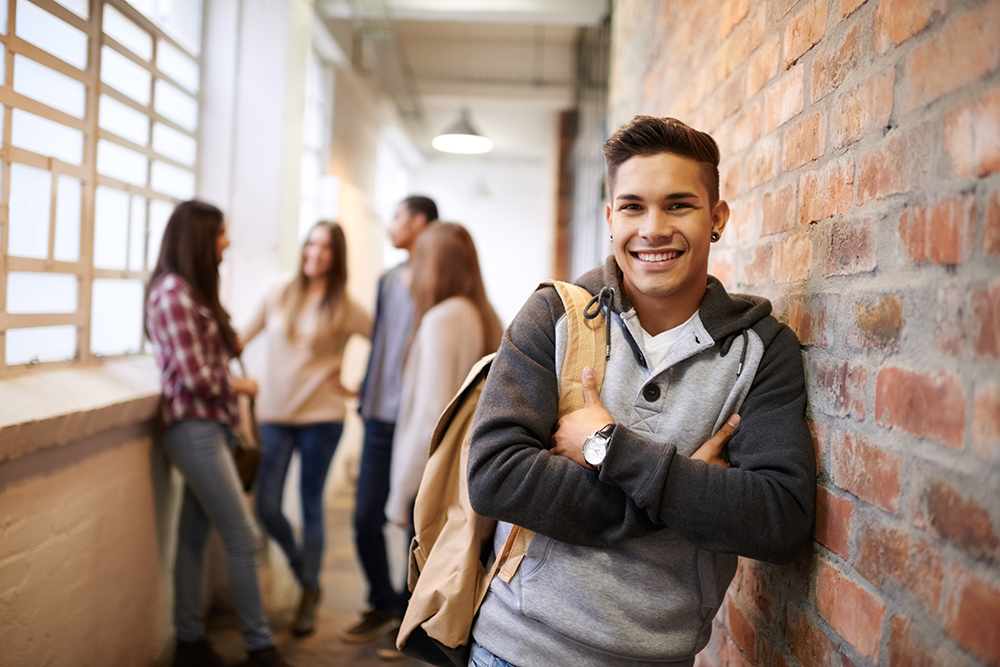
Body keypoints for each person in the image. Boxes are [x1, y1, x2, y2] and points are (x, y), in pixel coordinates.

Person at [466, 116, 816, 667]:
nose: (652, 228)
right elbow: (494, 477)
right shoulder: (553, 316)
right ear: (611, 218)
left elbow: (779, 520)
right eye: (632, 207)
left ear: (717, 218)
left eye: (678, 205)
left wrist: (608, 446)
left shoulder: (763, 350)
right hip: (516, 650)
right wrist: (681, 491)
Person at [145, 200, 291, 667]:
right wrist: (243, 384)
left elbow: (212, 355)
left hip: (212, 426)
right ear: (199, 239)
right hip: (194, 427)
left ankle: (189, 640)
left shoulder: (191, 291)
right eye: (221, 234)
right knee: (243, 535)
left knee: (192, 535)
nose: (227, 242)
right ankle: (259, 646)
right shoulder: (171, 293)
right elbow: (196, 377)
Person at [241, 221, 372, 637]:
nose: (316, 252)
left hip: (322, 420)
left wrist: (358, 389)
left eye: (326, 247)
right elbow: (239, 339)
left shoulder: (347, 305)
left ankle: (307, 601)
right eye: (312, 243)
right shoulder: (279, 291)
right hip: (274, 417)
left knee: (310, 505)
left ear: (337, 256)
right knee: (266, 507)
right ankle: (308, 576)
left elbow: (387, 345)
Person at [341, 195, 439, 643]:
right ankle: (381, 602)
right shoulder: (386, 281)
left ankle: (407, 616)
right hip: (380, 418)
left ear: (419, 222)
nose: (390, 226)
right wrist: (363, 397)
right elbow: (380, 345)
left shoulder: (440, 281)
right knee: (365, 518)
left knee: (414, 524)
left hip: (420, 423)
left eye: (397, 217)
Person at [384, 222, 503, 531]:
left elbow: (430, 417)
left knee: (418, 576)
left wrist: (401, 491)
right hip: (464, 478)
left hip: (433, 479)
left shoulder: (441, 319)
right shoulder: (483, 314)